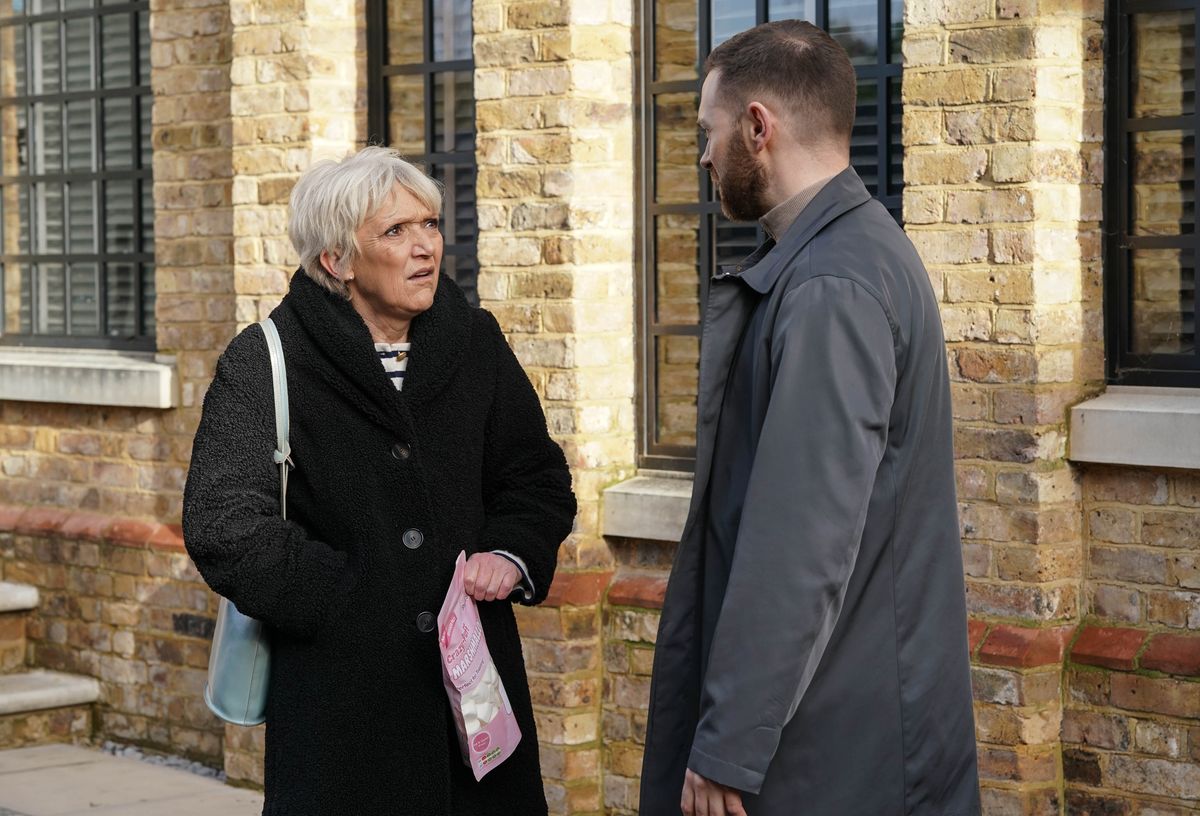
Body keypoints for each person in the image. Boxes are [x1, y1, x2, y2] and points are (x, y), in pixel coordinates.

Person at [639, 21, 981, 816]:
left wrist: (729, 745)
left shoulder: (833, 286)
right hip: (839, 730)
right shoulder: (853, 255)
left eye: (708, 131)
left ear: (757, 128)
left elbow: (801, 544)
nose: (701, 155)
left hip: (824, 753)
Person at [183, 146, 576, 815]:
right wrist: (341, 599)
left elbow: (535, 476)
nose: (424, 246)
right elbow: (225, 524)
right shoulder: (267, 359)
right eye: (396, 231)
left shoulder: (475, 340)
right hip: (341, 710)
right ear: (337, 260)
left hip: (475, 702)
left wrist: (510, 553)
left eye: (429, 224)